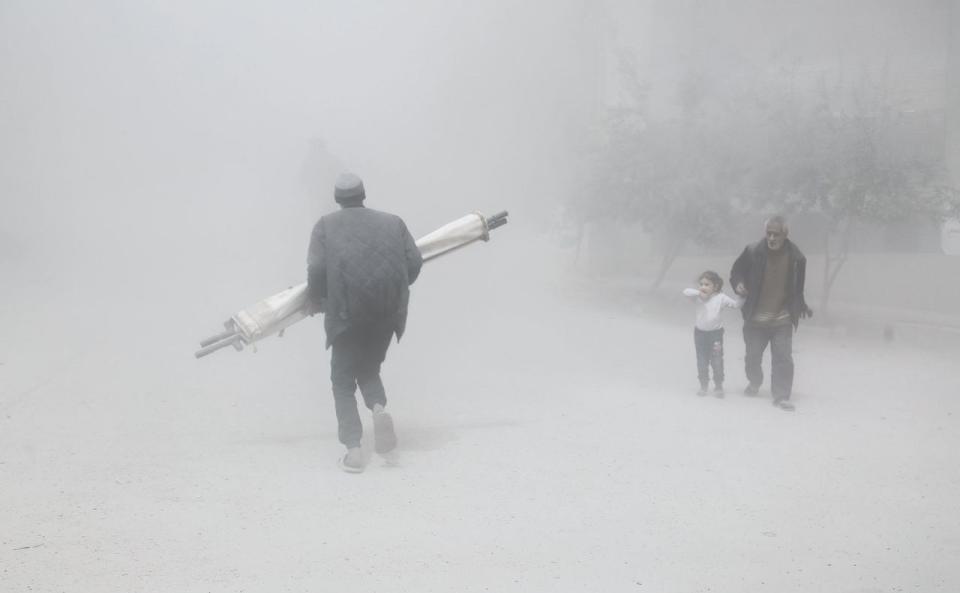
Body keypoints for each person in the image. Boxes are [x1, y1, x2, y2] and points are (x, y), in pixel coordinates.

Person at [306, 173, 423, 472]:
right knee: (368, 367)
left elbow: (317, 268)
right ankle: (378, 408)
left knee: (342, 380)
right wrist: (393, 290)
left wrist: (318, 300)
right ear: (363, 194)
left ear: (337, 199)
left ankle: (354, 450)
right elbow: (414, 262)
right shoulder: (393, 222)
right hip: (386, 313)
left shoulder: (325, 226)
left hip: (346, 315)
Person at [729, 216, 812, 411]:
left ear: (785, 235)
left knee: (783, 357)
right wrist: (739, 284)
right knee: (752, 357)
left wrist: (802, 306)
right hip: (755, 319)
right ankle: (755, 381)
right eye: (769, 233)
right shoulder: (752, 251)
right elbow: (736, 272)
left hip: (781, 318)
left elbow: (798, 288)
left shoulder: (797, 258)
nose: (772, 238)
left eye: (777, 234)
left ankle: (782, 395)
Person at [682, 271, 743, 397]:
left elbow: (737, 305)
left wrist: (742, 295)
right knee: (701, 360)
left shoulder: (721, 298)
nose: (703, 287)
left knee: (717, 360)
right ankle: (703, 385)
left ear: (715, 286)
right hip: (700, 334)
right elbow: (685, 292)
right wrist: (700, 293)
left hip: (715, 334)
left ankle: (718, 386)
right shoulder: (697, 297)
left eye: (707, 284)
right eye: (701, 284)